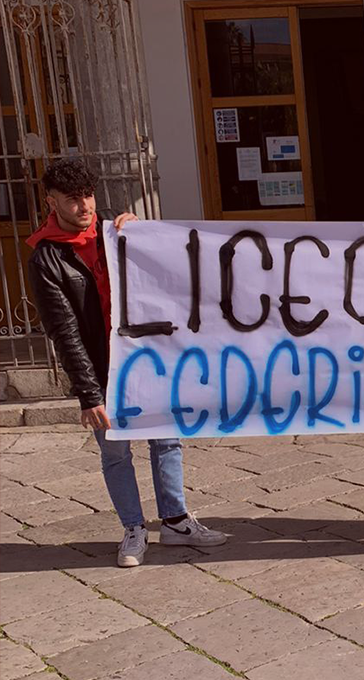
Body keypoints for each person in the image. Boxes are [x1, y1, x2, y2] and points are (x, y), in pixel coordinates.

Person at [27, 159, 227, 566]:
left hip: (148, 359)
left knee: (167, 440)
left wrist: (143, 235)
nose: (84, 206)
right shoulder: (46, 258)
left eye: (88, 196)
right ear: (52, 202)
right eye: (72, 200)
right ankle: (134, 528)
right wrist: (88, 394)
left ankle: (174, 522)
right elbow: (65, 332)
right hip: (103, 368)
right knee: (116, 451)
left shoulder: (116, 233)